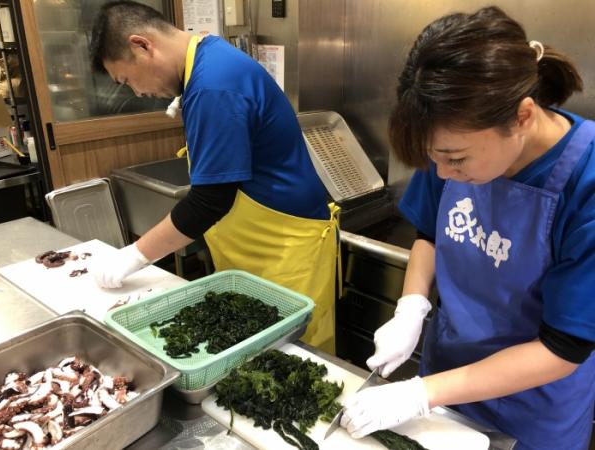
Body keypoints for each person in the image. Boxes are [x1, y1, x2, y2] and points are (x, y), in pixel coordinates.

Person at [340, 6, 595, 450]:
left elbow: (564, 347)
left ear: (522, 116)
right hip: (446, 376)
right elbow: (429, 234)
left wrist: (419, 394)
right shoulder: (449, 138)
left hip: (533, 409)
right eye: (434, 159)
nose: (443, 174)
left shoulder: (586, 183)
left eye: (456, 160)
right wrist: (411, 307)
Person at [88, 1, 339, 353]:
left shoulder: (212, 87)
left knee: (295, 356)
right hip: (259, 245)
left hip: (285, 250)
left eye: (127, 80)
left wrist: (135, 255)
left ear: (142, 45)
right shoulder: (207, 59)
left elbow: (209, 201)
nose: (137, 93)